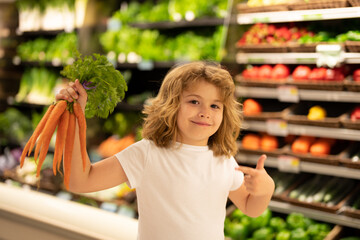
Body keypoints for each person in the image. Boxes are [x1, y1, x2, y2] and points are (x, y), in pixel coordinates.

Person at [56, 61, 275, 240]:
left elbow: (250, 208)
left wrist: (266, 189)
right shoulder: (147, 154)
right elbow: (80, 181)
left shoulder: (224, 160)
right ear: (171, 104)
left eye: (215, 105)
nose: (205, 112)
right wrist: (76, 116)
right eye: (194, 101)